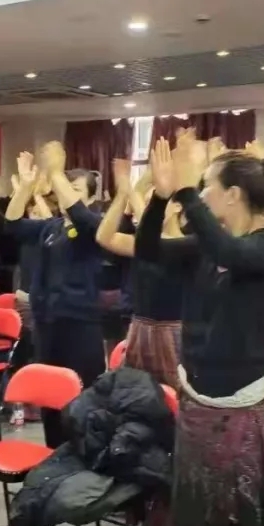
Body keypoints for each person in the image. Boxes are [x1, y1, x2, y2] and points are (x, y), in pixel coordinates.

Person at [135, 136, 264, 526]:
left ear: (232, 195)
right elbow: (147, 249)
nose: (201, 193)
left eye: (207, 185)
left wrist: (187, 192)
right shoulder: (205, 246)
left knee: (238, 521)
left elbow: (234, 255)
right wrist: (160, 198)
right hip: (197, 405)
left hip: (242, 411)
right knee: (199, 516)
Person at [5, 142, 106, 448]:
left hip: (80, 324)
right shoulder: (52, 226)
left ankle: (84, 455)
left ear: (91, 198)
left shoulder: (96, 227)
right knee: (50, 395)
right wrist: (25, 187)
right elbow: (12, 226)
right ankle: (53, 453)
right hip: (48, 322)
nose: (63, 194)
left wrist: (57, 173)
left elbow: (81, 216)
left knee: (81, 395)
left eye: (74, 189)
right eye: (63, 186)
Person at [96, 157, 182, 389]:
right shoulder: (141, 244)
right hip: (140, 328)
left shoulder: (188, 244)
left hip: (175, 334)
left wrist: (134, 190)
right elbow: (104, 237)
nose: (150, 208)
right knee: (135, 395)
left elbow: (158, 235)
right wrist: (123, 194)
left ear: (177, 207)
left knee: (173, 397)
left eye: (157, 201)